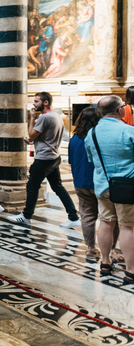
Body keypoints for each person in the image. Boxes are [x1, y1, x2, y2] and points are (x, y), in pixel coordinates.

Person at [7, 92, 78, 227]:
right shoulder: (56, 115)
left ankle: (26, 216)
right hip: (54, 156)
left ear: (45, 102)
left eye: (36, 101)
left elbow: (31, 134)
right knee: (58, 187)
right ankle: (73, 217)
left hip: (44, 159)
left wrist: (32, 118)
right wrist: (34, 140)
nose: (34, 104)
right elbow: (46, 136)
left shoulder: (44, 118)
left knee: (32, 186)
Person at [84, 96, 134, 283]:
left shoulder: (92, 133)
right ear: (120, 110)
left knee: (106, 223)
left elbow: (91, 159)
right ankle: (130, 271)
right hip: (126, 186)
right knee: (127, 227)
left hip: (102, 185)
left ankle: (105, 263)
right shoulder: (129, 131)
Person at [70, 107, 105, 258]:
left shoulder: (74, 139)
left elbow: (71, 161)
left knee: (87, 216)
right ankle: (110, 250)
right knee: (107, 217)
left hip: (80, 182)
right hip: (100, 182)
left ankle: (90, 248)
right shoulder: (99, 137)